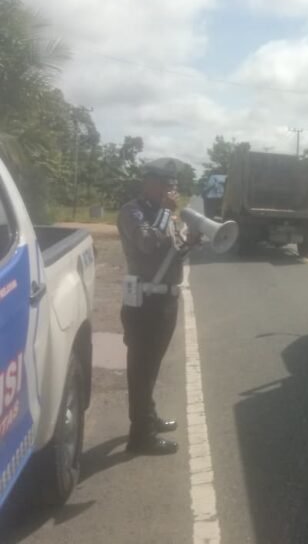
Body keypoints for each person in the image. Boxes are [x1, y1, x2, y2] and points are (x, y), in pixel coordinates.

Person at [117, 159, 200, 455]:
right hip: (145, 302)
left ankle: (148, 418)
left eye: (174, 185)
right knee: (141, 368)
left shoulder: (163, 215)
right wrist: (166, 211)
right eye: (167, 184)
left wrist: (190, 242)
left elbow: (171, 255)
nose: (172, 190)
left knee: (151, 367)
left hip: (165, 300)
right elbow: (147, 243)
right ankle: (140, 436)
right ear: (149, 183)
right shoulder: (133, 211)